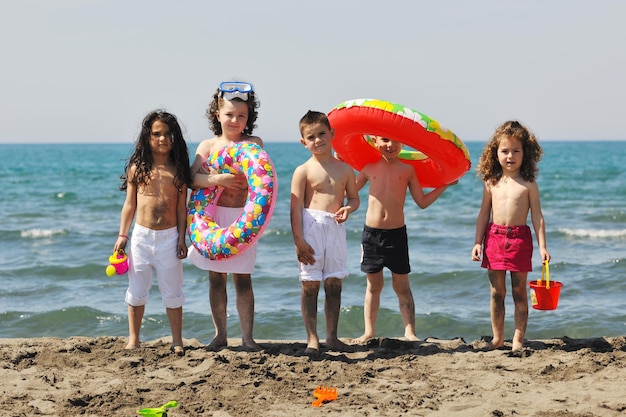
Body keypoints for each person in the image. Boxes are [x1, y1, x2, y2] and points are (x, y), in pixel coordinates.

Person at [353, 136, 455, 344]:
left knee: (402, 286)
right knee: (373, 285)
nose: (390, 145)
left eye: (396, 141)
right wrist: (341, 165)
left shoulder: (408, 170)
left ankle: (409, 331)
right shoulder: (368, 168)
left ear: (404, 144)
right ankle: (368, 331)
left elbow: (422, 202)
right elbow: (349, 192)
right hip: (371, 236)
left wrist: (444, 185)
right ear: (374, 141)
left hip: (396, 235)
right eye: (385, 140)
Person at [188, 81, 264, 351]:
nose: (234, 120)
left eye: (241, 116)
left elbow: (261, 180)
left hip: (243, 217)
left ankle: (247, 338)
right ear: (217, 114)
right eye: (229, 114)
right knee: (215, 278)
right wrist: (217, 179)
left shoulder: (253, 143)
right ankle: (220, 335)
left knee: (243, 278)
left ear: (248, 118)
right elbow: (191, 178)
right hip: (213, 215)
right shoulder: (208, 145)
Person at [113, 110, 192, 356]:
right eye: (157, 134)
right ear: (148, 137)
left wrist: (181, 237)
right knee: (137, 291)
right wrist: (122, 236)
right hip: (141, 238)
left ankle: (177, 340)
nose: (162, 139)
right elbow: (130, 205)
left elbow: (181, 208)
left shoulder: (178, 171)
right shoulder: (138, 169)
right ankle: (134, 339)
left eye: (168, 134)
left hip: (169, 238)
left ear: (175, 138)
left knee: (173, 292)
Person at [471, 120, 550, 353]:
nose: (510, 156)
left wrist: (543, 246)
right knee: (497, 292)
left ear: (525, 153)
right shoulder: (491, 183)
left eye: (516, 151)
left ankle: (518, 338)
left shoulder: (529, 185)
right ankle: (497, 338)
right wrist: (477, 242)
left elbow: (538, 217)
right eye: (504, 151)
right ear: (495, 153)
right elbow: (483, 214)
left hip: (519, 240)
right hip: (494, 238)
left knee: (518, 290)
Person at [290, 110, 360, 357]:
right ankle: (312, 338)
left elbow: (354, 197)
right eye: (311, 137)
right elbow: (295, 208)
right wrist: (299, 240)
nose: (317, 140)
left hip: (336, 228)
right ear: (303, 142)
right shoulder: (303, 171)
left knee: (334, 282)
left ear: (332, 134)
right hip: (312, 227)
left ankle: (332, 336)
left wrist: (348, 209)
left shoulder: (345, 169)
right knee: (310, 284)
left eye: (322, 134)